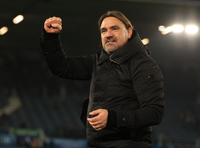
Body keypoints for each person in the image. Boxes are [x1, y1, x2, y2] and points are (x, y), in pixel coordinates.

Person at [40, 11, 165, 148]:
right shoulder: (99, 61)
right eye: (103, 30)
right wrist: (51, 38)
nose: (108, 34)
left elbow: (154, 113)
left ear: (129, 32)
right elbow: (62, 67)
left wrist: (112, 118)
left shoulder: (143, 64)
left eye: (115, 28)